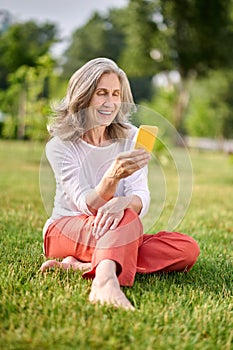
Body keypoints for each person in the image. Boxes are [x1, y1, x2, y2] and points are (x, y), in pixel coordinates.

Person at [41, 57, 200, 310]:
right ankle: (104, 282)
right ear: (82, 97)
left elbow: (140, 194)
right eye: (101, 93)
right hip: (65, 230)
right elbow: (86, 205)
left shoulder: (133, 137)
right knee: (126, 218)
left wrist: (125, 202)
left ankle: (83, 265)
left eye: (116, 93)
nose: (110, 102)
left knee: (187, 248)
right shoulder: (60, 145)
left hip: (117, 231)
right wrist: (112, 178)